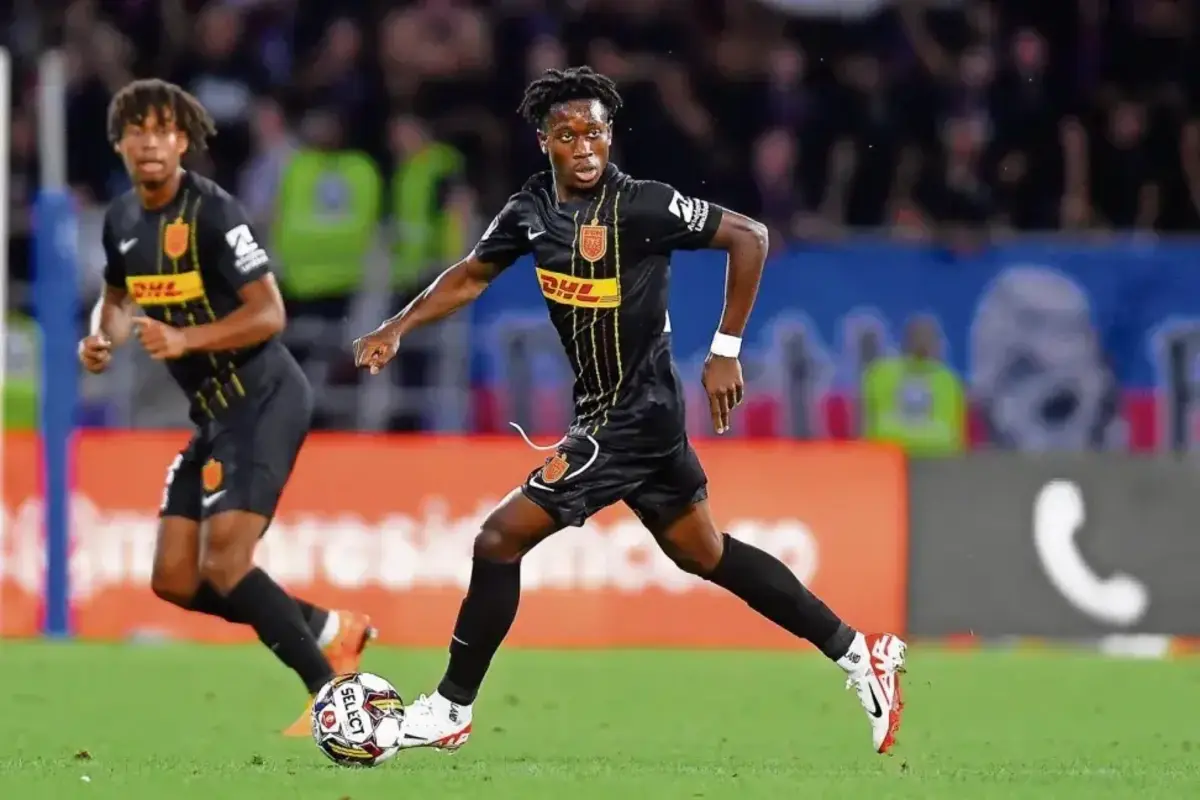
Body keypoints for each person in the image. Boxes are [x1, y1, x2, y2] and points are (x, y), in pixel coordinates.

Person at [352, 67, 908, 755]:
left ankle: (449, 707)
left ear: (610, 135)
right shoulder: (530, 211)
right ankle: (859, 652)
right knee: (704, 552)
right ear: (544, 142)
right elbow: (470, 274)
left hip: (626, 420)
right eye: (567, 135)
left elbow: (751, 237)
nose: (584, 147)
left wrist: (726, 350)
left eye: (594, 132)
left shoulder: (642, 206)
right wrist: (397, 327)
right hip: (629, 415)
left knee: (497, 540)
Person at [78, 79, 374, 736]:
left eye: (163, 131)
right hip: (213, 415)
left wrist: (186, 339)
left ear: (183, 141)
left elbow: (270, 313)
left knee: (225, 563)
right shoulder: (121, 220)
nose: (150, 143)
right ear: (120, 144)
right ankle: (330, 627)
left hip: (262, 399)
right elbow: (117, 299)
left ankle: (333, 697)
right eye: (136, 132)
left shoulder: (212, 213)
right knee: (174, 579)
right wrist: (102, 336)